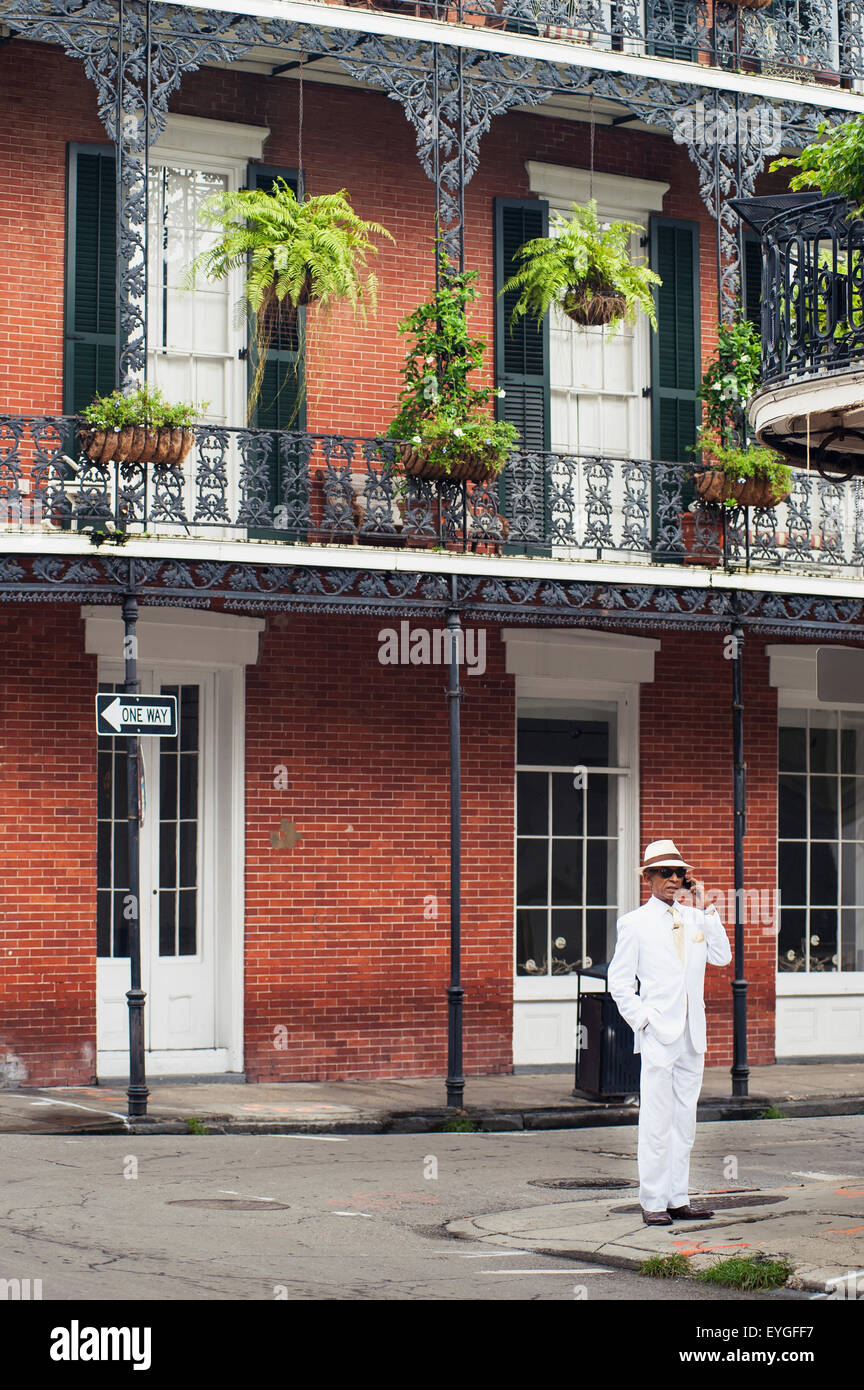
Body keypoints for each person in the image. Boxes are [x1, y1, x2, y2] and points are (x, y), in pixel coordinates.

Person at [607, 839, 732, 1227]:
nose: (673, 879)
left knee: (685, 1122)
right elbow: (620, 983)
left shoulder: (696, 918)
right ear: (647, 878)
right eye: (665, 873)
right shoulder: (634, 923)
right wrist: (644, 1020)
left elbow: (722, 956)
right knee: (657, 1122)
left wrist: (706, 906)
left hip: (693, 1034)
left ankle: (679, 1197)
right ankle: (653, 1201)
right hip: (660, 1032)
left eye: (679, 873)